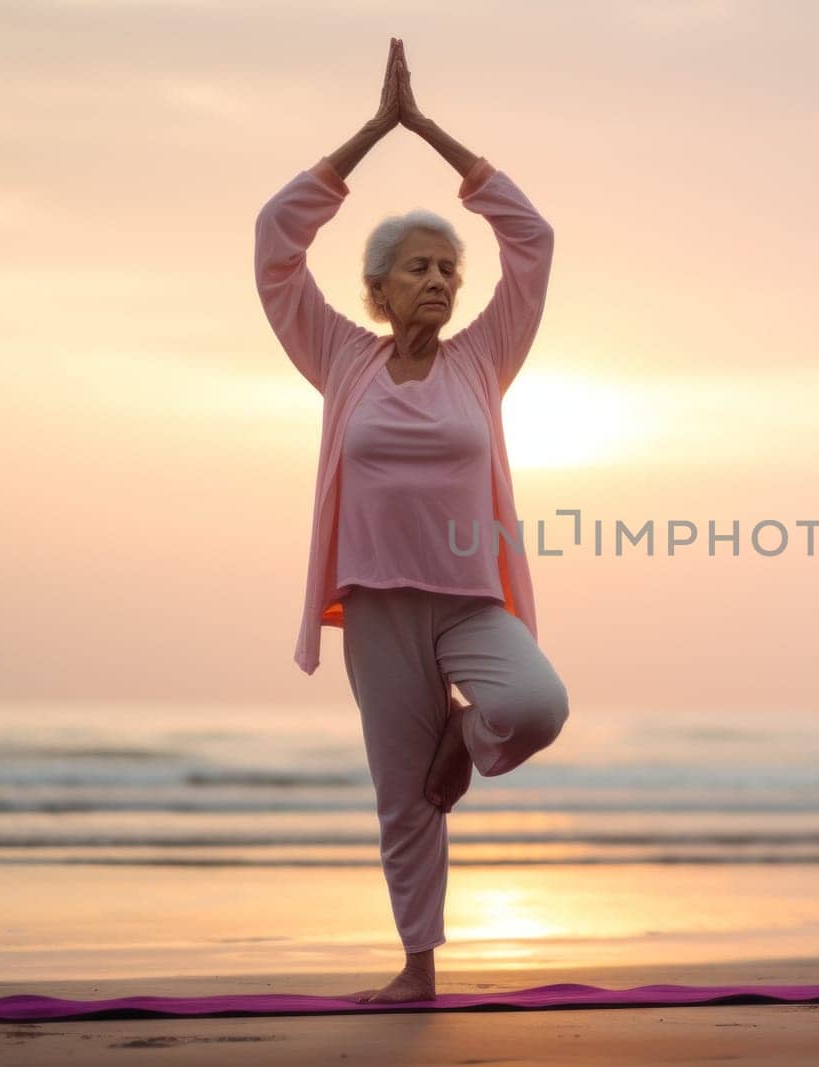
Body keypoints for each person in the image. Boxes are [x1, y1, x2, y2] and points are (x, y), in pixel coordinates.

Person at [252, 37, 570, 1004]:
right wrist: (371, 135)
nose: (438, 281)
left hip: (472, 599)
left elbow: (535, 239)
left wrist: (433, 136)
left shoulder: (485, 359)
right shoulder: (341, 358)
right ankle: (418, 970)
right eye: (418, 268)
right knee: (402, 799)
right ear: (379, 288)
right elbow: (274, 242)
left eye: (447, 270)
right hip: (380, 607)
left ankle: (463, 737)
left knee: (537, 705)